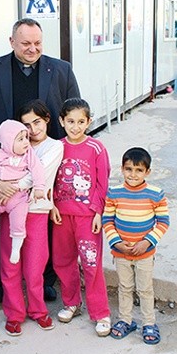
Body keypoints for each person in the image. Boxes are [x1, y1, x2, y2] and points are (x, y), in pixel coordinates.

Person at [0, 17, 79, 303]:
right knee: (5, 223)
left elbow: (72, 116)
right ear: (12, 42)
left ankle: (45, 279)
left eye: (38, 43)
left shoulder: (62, 71)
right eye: (26, 43)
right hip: (5, 165)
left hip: (46, 161)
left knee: (43, 225)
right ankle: (2, 281)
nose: (33, 49)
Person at [0, 100, 63, 336]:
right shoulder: (13, 146)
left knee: (35, 266)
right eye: (27, 126)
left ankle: (38, 310)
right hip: (10, 210)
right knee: (10, 264)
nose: (33, 130)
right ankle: (14, 314)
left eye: (37, 122)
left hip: (36, 212)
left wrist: (7, 185)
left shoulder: (55, 147)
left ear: (47, 119)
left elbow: (36, 176)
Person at [51, 98, 111, 337]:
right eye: (70, 121)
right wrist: (52, 205)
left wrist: (98, 212)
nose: (75, 127)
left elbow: (102, 183)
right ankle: (71, 302)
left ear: (89, 121)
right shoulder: (56, 147)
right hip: (62, 216)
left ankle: (101, 312)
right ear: (61, 121)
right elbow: (49, 180)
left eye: (80, 122)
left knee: (91, 264)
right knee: (63, 261)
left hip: (87, 218)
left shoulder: (96, 149)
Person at [103, 147, 170, 345]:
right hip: (121, 252)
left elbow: (163, 222)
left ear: (147, 172)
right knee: (124, 287)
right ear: (122, 169)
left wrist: (147, 242)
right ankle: (126, 320)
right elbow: (107, 220)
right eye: (129, 169)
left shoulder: (155, 194)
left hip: (145, 253)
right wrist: (117, 243)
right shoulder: (114, 192)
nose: (133, 174)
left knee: (145, 289)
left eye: (138, 170)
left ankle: (149, 323)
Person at [0, 119, 46, 264]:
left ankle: (16, 250)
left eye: (26, 138)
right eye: (20, 139)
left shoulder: (29, 155)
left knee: (18, 223)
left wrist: (39, 187)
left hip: (18, 198)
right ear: (8, 141)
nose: (26, 142)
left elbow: (38, 170)